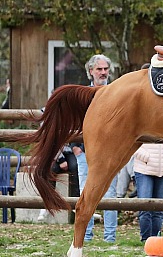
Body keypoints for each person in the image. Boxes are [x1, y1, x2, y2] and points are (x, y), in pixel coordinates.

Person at [71, 54, 119, 242]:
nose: (103, 72)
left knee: (111, 194)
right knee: (86, 193)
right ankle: (87, 234)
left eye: (106, 69)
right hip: (85, 152)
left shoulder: (117, 93)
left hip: (111, 153)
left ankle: (109, 236)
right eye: (99, 69)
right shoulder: (83, 94)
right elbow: (74, 123)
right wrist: (76, 147)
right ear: (90, 71)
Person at [133, 143, 163, 242]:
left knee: (159, 210)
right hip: (144, 169)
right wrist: (147, 157)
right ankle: (145, 239)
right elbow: (132, 143)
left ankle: (156, 239)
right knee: (144, 207)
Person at [37, 145, 80, 222]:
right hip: (54, 153)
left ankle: (76, 200)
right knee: (51, 169)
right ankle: (47, 202)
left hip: (70, 151)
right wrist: (61, 159)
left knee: (74, 167)